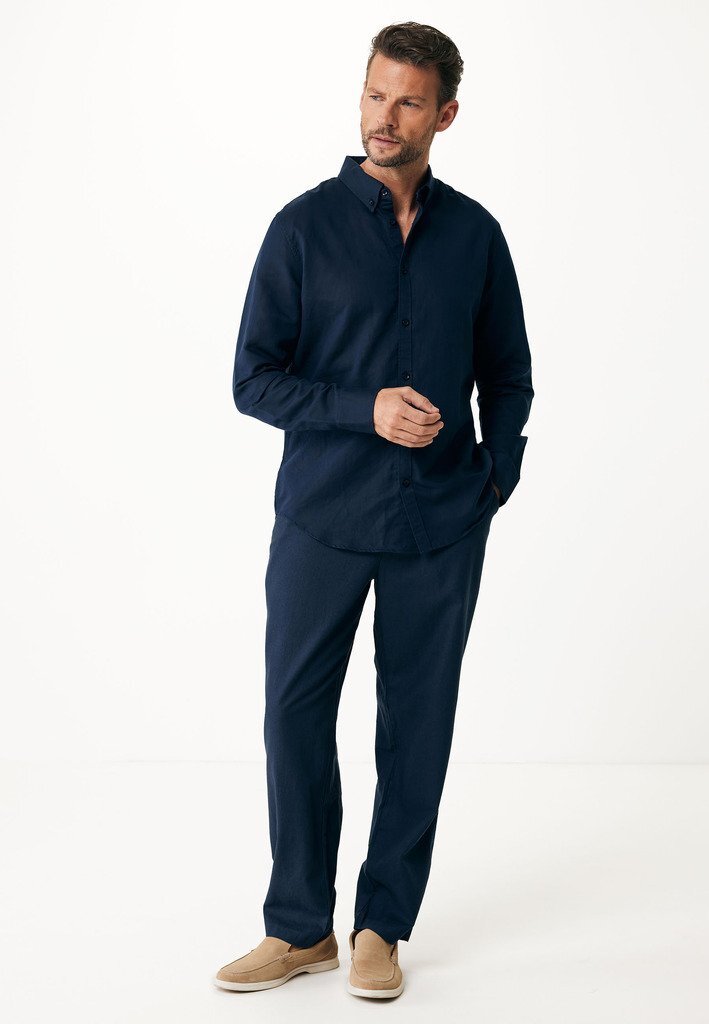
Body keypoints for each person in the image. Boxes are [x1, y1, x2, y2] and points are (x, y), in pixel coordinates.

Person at [214, 20, 534, 1000]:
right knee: (293, 715)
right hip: (321, 516)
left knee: (417, 727)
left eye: (407, 102)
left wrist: (491, 481)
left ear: (445, 114)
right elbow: (252, 380)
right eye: (373, 94)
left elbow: (507, 374)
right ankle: (298, 927)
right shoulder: (301, 229)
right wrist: (364, 409)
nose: (383, 118)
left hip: (440, 524)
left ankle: (380, 928)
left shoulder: (475, 237)